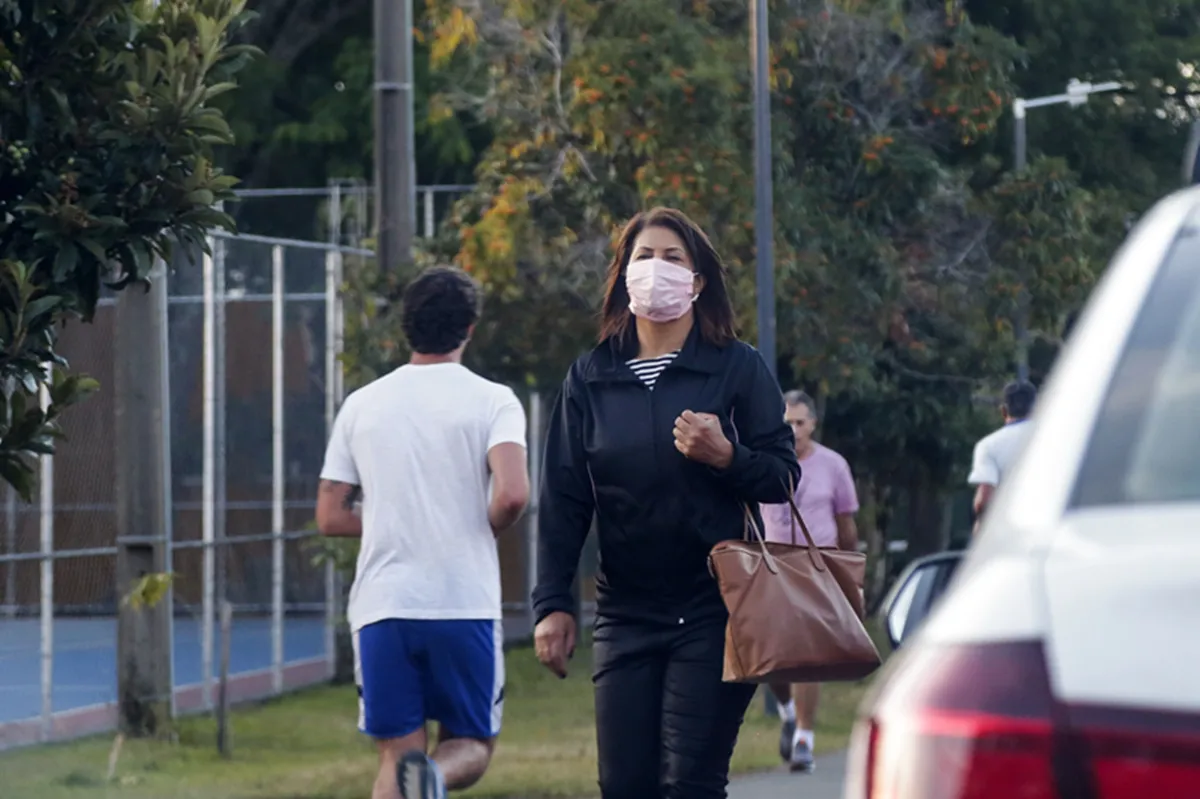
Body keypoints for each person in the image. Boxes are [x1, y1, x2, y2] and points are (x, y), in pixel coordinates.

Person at [531, 207, 801, 799]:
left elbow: (783, 477)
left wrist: (727, 455)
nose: (657, 269)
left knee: (689, 786)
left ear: (698, 281)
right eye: (643, 257)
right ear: (624, 275)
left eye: (673, 258)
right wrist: (553, 603)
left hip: (716, 607)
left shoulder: (736, 366)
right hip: (625, 613)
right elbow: (565, 497)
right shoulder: (591, 377)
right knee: (625, 786)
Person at [315, 266, 530, 799]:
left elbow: (330, 515)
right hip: (462, 603)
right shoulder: (493, 401)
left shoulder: (361, 404)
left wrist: (394, 513)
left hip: (385, 606)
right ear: (471, 328)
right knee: (473, 743)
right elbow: (512, 494)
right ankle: (434, 777)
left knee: (397, 756)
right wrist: (483, 523)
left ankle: (418, 775)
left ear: (404, 327)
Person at [758, 390, 859, 773]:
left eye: (800, 422)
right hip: (773, 569)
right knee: (773, 661)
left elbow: (847, 526)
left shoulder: (833, 466)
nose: (794, 430)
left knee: (808, 659)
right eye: (787, 423)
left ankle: (804, 739)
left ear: (813, 424)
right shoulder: (763, 462)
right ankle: (786, 710)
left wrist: (848, 573)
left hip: (818, 569)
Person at [968, 379, 1037, 528]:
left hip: (1011, 531)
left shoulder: (988, 445)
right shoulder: (1059, 439)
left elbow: (984, 501)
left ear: (1003, 411)